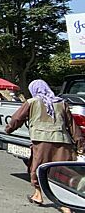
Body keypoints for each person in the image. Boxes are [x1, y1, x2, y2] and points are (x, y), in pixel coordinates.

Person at [5, 79, 84, 213]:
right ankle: (65, 203)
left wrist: (9, 129)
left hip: (41, 142)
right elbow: (72, 126)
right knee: (62, 170)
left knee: (37, 167)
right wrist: (80, 145)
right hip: (62, 141)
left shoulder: (31, 102)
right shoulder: (61, 103)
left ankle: (38, 195)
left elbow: (16, 119)